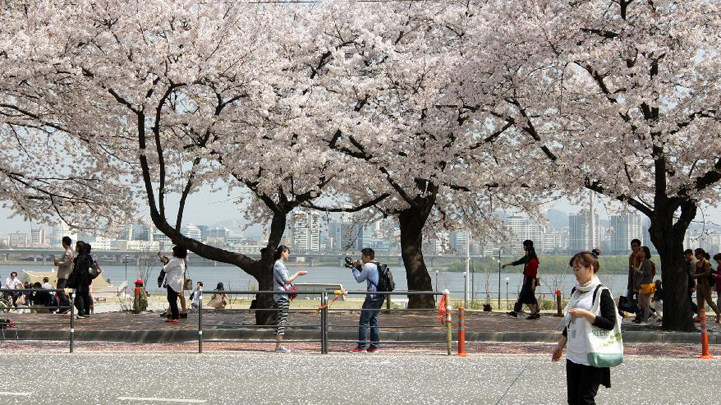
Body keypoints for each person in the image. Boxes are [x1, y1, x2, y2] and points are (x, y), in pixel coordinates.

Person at [552, 251, 617, 405]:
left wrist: (586, 314)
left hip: (592, 356)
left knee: (585, 400)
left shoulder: (602, 293)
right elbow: (570, 322)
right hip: (573, 354)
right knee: (573, 400)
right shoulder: (576, 292)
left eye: (578, 269)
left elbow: (609, 323)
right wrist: (560, 346)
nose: (575, 273)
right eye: (574, 269)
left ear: (590, 268)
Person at [272, 246, 308, 353]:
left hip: (282, 295)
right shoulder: (279, 264)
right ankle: (278, 347)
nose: (289, 254)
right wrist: (298, 273)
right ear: (283, 252)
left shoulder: (280, 264)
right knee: (281, 320)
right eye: (288, 252)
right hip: (281, 296)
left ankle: (278, 346)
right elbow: (287, 280)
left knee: (281, 320)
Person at [350, 248, 384, 353]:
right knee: (374, 322)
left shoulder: (368, 266)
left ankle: (362, 347)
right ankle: (374, 346)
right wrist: (359, 267)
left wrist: (354, 268)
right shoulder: (378, 265)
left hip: (371, 298)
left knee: (363, 322)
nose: (362, 259)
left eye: (363, 257)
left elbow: (359, 279)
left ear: (368, 257)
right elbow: (368, 276)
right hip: (380, 296)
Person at [502, 240, 540, 319]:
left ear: (528, 247)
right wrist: (506, 264)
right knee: (526, 297)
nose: (524, 248)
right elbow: (518, 262)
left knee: (524, 297)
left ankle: (533, 312)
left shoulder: (533, 261)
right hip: (527, 280)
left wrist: (533, 283)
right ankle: (531, 312)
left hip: (530, 281)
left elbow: (533, 273)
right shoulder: (527, 258)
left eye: (525, 246)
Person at [693, 248, 720, 323]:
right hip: (699, 284)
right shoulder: (697, 263)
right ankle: (700, 317)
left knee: (709, 301)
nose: (696, 256)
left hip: (706, 285)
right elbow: (696, 273)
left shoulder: (706, 262)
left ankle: (718, 315)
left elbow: (707, 273)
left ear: (701, 254)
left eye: (697, 254)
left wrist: (697, 275)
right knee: (699, 302)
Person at [161, 246, 187, 323]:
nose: (172, 252)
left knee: (171, 299)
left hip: (172, 283)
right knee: (174, 299)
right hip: (179, 283)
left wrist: (165, 263)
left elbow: (165, 269)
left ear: (176, 252)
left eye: (173, 251)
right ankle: (176, 315)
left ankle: (175, 317)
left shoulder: (174, 260)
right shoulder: (182, 260)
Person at [67, 241, 92, 319]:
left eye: (77, 246)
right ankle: (87, 312)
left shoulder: (80, 257)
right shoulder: (88, 256)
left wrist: (72, 280)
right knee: (85, 295)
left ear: (79, 247)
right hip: (86, 279)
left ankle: (81, 313)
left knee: (78, 295)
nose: (75, 248)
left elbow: (77, 270)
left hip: (80, 280)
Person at [53, 236, 74, 314]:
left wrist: (57, 263)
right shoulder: (70, 251)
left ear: (64, 243)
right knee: (61, 291)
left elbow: (65, 263)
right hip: (65, 274)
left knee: (60, 291)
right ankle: (63, 307)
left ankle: (66, 305)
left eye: (62, 242)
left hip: (64, 274)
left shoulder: (68, 252)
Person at [634, 246, 655, 323]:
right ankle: (654, 315)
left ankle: (646, 321)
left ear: (646, 253)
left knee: (645, 304)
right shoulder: (642, 261)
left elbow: (648, 273)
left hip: (647, 285)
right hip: (642, 285)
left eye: (642, 251)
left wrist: (638, 271)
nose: (640, 253)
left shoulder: (647, 262)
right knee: (640, 303)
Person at [625, 239, 643, 316]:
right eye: (632, 246)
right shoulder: (632, 256)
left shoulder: (641, 256)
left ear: (639, 246)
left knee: (640, 300)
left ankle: (640, 315)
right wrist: (629, 282)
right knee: (629, 298)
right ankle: (639, 313)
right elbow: (630, 270)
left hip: (640, 281)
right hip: (632, 281)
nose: (633, 247)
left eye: (635, 246)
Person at [684, 249, 698, 315]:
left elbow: (692, 275)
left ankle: (695, 312)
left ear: (689, 254)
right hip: (691, 282)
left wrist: (693, 286)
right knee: (688, 299)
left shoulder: (693, 263)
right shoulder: (690, 261)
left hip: (692, 283)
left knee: (688, 299)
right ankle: (692, 312)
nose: (685, 256)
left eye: (685, 255)